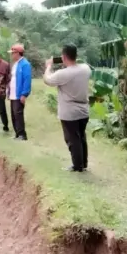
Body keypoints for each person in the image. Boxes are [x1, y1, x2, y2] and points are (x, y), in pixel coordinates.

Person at [43, 44, 92, 172]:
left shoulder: (62, 74)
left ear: (64, 57)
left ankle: (77, 166)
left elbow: (47, 80)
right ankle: (83, 163)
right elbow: (77, 65)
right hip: (84, 111)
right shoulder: (86, 69)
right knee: (81, 137)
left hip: (69, 113)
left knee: (72, 139)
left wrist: (48, 66)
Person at [7, 44, 32, 141]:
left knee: (18, 114)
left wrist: (24, 94)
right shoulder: (15, 64)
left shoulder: (25, 64)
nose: (12, 55)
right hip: (13, 94)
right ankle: (17, 133)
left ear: (17, 53)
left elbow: (27, 80)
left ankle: (22, 135)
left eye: (13, 53)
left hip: (19, 94)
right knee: (13, 114)